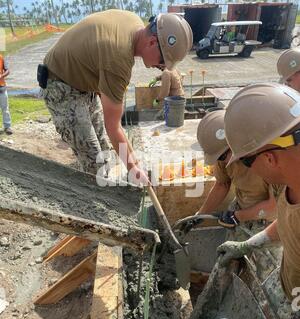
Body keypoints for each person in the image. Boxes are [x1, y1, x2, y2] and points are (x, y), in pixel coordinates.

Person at [40, 10, 193, 183]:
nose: (161, 67)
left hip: (82, 81)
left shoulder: (134, 22)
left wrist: (132, 162)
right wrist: (134, 168)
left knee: (104, 149)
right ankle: (93, 202)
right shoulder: (118, 59)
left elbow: (96, 54)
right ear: (151, 42)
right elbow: (113, 126)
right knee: (93, 160)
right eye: (162, 61)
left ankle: (105, 185)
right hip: (60, 85)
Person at [217, 83, 300, 319]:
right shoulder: (289, 180)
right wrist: (247, 244)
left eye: (246, 161)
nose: (248, 170)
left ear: (269, 158)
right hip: (285, 283)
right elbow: (286, 222)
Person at [195, 109, 280, 281]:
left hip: (269, 223)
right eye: (220, 157)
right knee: (229, 258)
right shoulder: (222, 155)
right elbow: (222, 184)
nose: (224, 161)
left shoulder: (268, 155)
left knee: (267, 275)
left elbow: (273, 208)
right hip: (241, 208)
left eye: (225, 155)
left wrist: (237, 216)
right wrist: (199, 216)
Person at [0, 53, 12, 135]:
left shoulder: (1, 58)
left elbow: (7, 70)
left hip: (1, 87)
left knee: (5, 108)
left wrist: (1, 76)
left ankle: (7, 127)